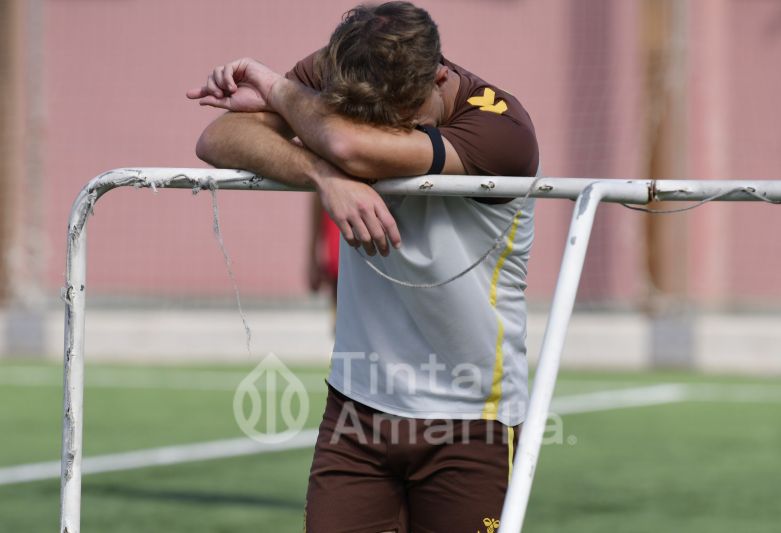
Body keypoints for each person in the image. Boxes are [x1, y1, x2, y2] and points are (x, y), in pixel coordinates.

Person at [188, 2, 539, 531]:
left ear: (439, 77)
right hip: (356, 409)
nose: (384, 128)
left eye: (400, 119)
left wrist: (279, 89)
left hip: (471, 417)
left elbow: (348, 144)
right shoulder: (346, 69)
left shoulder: (502, 127)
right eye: (368, 115)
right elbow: (218, 139)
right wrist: (325, 176)